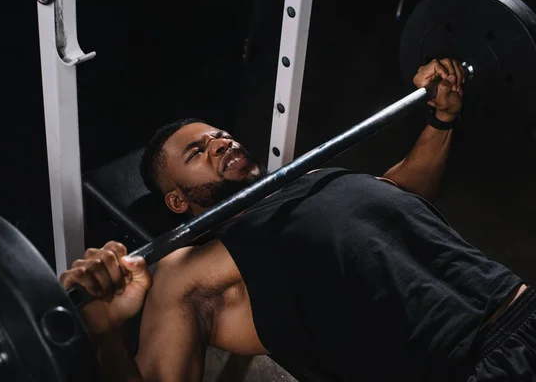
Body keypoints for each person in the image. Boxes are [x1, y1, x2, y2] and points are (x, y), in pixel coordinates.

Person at [60, 58, 535, 382]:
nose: (220, 144)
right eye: (197, 152)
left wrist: (440, 120)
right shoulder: (191, 269)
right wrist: (105, 333)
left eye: (219, 135)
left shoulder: (314, 179)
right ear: (178, 201)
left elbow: (402, 198)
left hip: (523, 310)